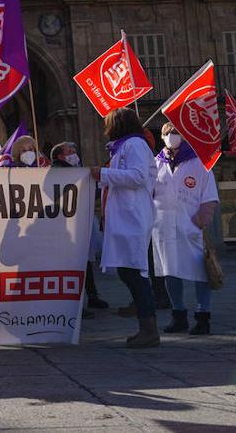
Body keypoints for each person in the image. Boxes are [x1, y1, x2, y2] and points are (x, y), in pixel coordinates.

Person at [99, 108, 159, 348]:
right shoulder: (122, 146)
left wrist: (101, 173)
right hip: (125, 216)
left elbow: (137, 177)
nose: (106, 127)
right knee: (127, 271)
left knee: (134, 272)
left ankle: (149, 328)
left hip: (133, 216)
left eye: (109, 123)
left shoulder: (135, 144)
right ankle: (145, 321)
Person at [153, 123, 220, 336]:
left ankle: (203, 316)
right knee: (170, 272)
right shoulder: (154, 164)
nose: (171, 137)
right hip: (162, 227)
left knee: (201, 271)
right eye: (167, 133)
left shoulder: (199, 163)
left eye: (175, 133)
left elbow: (209, 195)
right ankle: (178, 314)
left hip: (190, 225)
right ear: (162, 137)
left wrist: (202, 219)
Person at [52, 142, 108, 315]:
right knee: (72, 263)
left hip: (82, 219)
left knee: (86, 260)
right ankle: (76, 303)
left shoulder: (78, 170)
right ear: (60, 156)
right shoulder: (57, 171)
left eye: (75, 151)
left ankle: (92, 295)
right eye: (70, 152)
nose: (74, 154)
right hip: (66, 224)